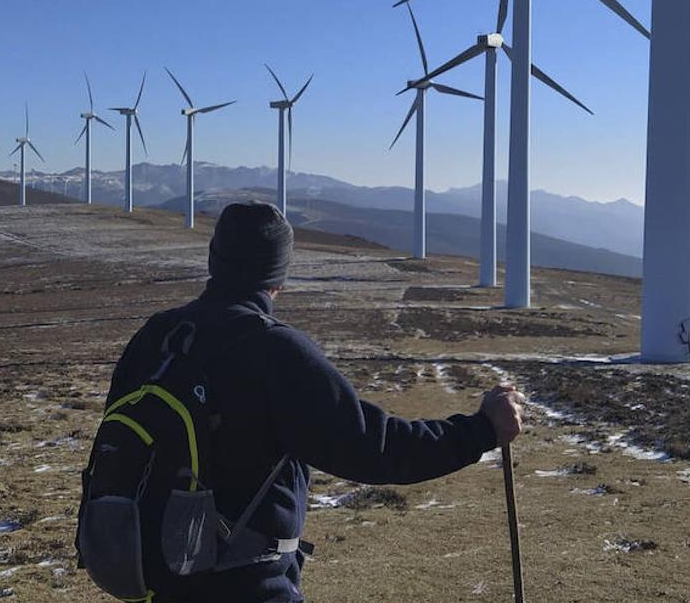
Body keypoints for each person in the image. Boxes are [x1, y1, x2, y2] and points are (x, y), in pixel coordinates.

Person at [95, 201, 524, 602]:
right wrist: (482, 430)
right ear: (278, 273)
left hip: (158, 574)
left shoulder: (157, 336)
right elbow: (375, 449)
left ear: (214, 258)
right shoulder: (274, 350)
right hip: (246, 583)